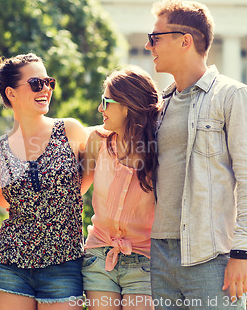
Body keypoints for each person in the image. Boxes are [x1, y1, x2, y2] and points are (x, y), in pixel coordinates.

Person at [144, 0, 247, 308]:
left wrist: (242, 251)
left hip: (211, 258)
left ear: (184, 41)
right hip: (162, 257)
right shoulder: (161, 105)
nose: (150, 47)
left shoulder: (232, 96)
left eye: (155, 38)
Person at [0, 53, 88, 309]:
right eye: (36, 83)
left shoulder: (71, 131)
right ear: (11, 93)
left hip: (64, 261)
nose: (46, 89)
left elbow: (90, 177)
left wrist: (56, 199)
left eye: (48, 82)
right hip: (11, 263)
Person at [81, 66, 160, 310]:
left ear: (127, 105)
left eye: (105, 101)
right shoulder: (97, 140)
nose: (100, 109)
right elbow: (74, 192)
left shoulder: (160, 149)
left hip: (144, 262)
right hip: (99, 256)